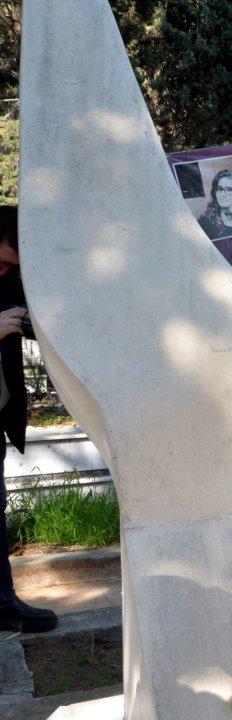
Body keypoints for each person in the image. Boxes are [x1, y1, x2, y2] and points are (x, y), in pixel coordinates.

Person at [0, 206, 58, 633]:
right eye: (2, 261)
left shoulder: (12, 277)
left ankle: (3, 602)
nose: (5, 272)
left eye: (12, 267)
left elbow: (40, 324)